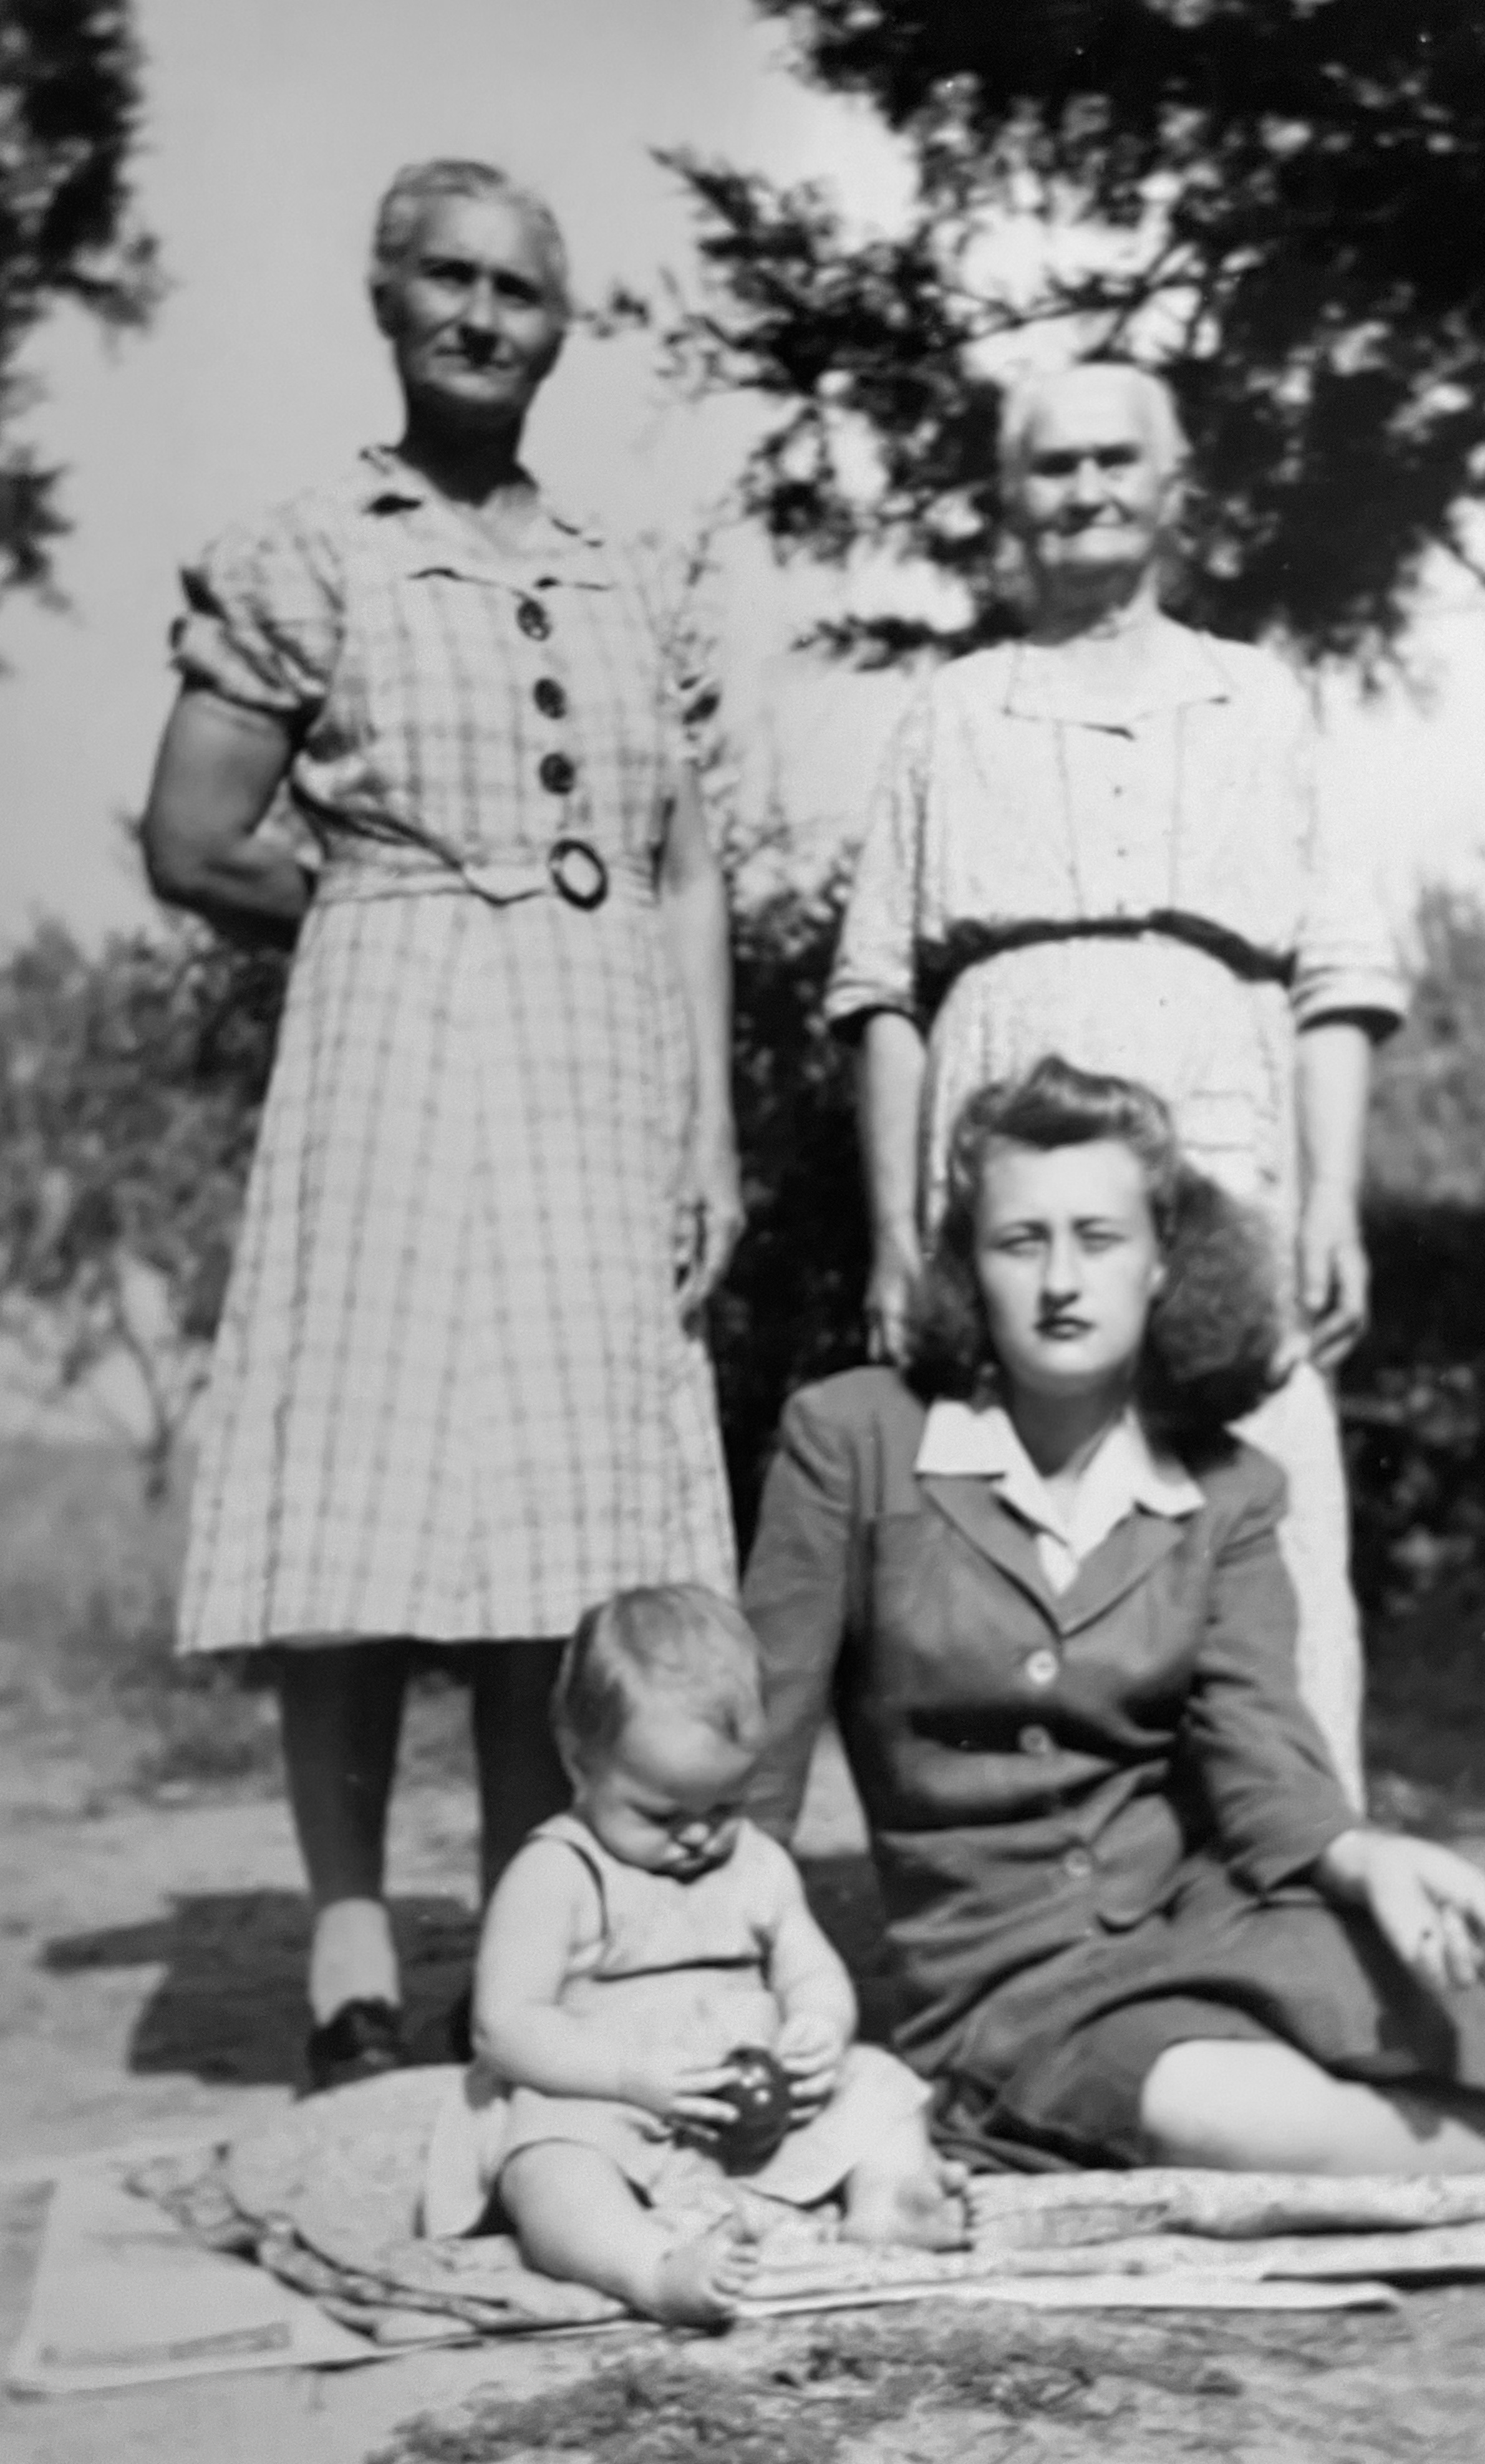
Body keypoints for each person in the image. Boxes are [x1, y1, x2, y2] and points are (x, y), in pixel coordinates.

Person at [140, 161, 740, 2088]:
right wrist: (385, 918)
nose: (481, 317)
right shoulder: (312, 550)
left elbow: (684, 871)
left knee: (562, 1523)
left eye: (518, 291)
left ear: (563, 327)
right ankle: (346, 1951)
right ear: (386, 299)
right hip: (392, 1054)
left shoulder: (631, 575)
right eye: (447, 281)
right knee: (370, 1501)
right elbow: (192, 839)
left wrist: (708, 1136)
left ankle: (522, 1936)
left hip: (600, 1070)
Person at [743, 1059, 1485, 2175]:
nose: (1061, 1281)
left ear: (1163, 1259)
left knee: (1445, 2004)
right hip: (1005, 1989)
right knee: (1216, 2112)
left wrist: (1366, 1857)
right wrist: (713, 1988)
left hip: (1204, 1920)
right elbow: (757, 1762)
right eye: (1020, 1242)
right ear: (969, 1264)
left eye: (1099, 1239)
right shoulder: (853, 1442)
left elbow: (1258, 1749)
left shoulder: (1227, 1491)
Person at [827, 361, 1405, 1802]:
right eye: (1052, 466)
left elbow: (1337, 977)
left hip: (1216, 1138)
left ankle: (1290, 1852)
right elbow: (880, 993)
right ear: (1008, 500)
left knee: (1253, 1489)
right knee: (1020, 1521)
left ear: (1172, 489)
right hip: (1001, 1156)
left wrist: (1331, 1200)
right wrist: (895, 1234)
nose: (1085, 490)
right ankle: (1042, 1869)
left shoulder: (1259, 699)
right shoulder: (956, 711)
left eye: (1114, 461)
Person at [423, 1584, 964, 2326]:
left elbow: (810, 1967)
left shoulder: (757, 1863)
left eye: (726, 1805)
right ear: (579, 1759)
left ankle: (890, 2202)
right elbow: (505, 2026)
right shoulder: (558, 1872)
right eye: (661, 1813)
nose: (699, 1835)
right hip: (604, 2107)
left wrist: (818, 2025)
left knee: (880, 2083)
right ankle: (647, 2267)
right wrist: (628, 2075)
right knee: (549, 2166)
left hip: (748, 2115)